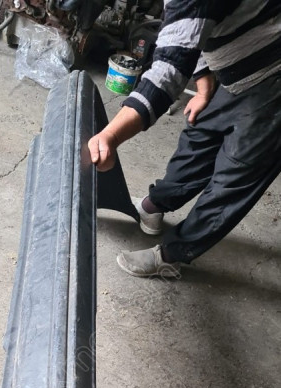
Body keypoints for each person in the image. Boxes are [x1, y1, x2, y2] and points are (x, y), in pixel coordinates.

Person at [88, 0, 281, 279]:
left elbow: (168, 72)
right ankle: (153, 207)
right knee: (198, 140)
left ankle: (171, 256)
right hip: (241, 69)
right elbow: (191, 31)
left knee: (234, 178)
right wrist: (203, 87)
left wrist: (112, 135)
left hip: (274, 74)